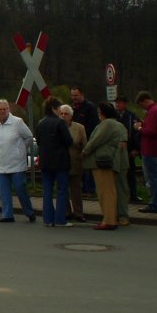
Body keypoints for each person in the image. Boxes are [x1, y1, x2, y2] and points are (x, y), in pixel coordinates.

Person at [82, 102, 128, 230]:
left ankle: (108, 220)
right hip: (108, 161)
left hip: (102, 161)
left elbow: (96, 140)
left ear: (102, 113)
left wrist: (85, 152)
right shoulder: (115, 124)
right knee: (109, 191)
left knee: (105, 192)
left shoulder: (107, 124)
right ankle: (111, 218)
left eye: (99, 111)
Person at [0, 99, 36, 223]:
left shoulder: (17, 122)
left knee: (20, 187)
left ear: (8, 109)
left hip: (16, 161)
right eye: (0, 109)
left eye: (5, 109)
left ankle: (29, 212)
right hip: (0, 161)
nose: (3, 111)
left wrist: (20, 149)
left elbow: (28, 137)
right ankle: (7, 215)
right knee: (4, 190)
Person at [36, 96, 73, 227]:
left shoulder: (41, 123)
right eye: (59, 108)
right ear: (54, 108)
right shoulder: (60, 123)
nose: (60, 111)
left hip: (45, 161)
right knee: (62, 190)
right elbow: (69, 141)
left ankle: (48, 219)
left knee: (47, 191)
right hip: (60, 161)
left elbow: (39, 141)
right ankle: (60, 219)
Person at [59, 104, 87, 222]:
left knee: (76, 190)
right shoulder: (57, 127)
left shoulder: (79, 128)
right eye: (62, 113)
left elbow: (85, 144)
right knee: (63, 188)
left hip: (75, 162)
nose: (64, 116)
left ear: (71, 116)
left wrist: (82, 156)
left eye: (66, 114)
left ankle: (78, 213)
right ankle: (66, 211)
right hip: (61, 163)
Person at [135, 91, 157, 214]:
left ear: (145, 101)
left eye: (141, 105)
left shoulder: (153, 111)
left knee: (152, 178)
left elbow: (151, 131)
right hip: (156, 149)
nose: (142, 108)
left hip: (151, 149)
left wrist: (140, 127)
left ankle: (154, 204)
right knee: (156, 176)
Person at [70, 86, 98, 195]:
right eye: (72, 95)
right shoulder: (72, 108)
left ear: (82, 94)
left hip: (86, 143)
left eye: (76, 95)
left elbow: (92, 127)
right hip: (75, 144)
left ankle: (89, 189)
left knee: (88, 167)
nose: (73, 97)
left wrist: (87, 143)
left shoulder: (90, 108)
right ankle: (81, 188)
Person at [115, 96, 141, 202]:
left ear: (125, 104)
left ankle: (133, 195)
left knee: (130, 173)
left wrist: (136, 148)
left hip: (129, 149)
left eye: (119, 103)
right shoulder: (114, 116)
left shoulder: (131, 116)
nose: (117, 105)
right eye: (116, 103)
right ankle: (120, 195)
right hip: (116, 149)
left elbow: (136, 133)